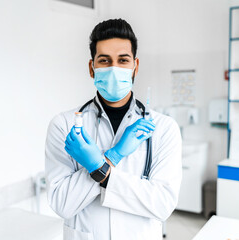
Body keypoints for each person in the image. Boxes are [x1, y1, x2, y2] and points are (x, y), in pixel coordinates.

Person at [45, 18, 182, 240]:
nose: (114, 68)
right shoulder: (64, 125)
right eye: (105, 61)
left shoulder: (164, 128)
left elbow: (163, 205)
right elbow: (62, 204)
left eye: (123, 60)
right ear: (92, 68)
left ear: (135, 66)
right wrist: (112, 157)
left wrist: (99, 168)